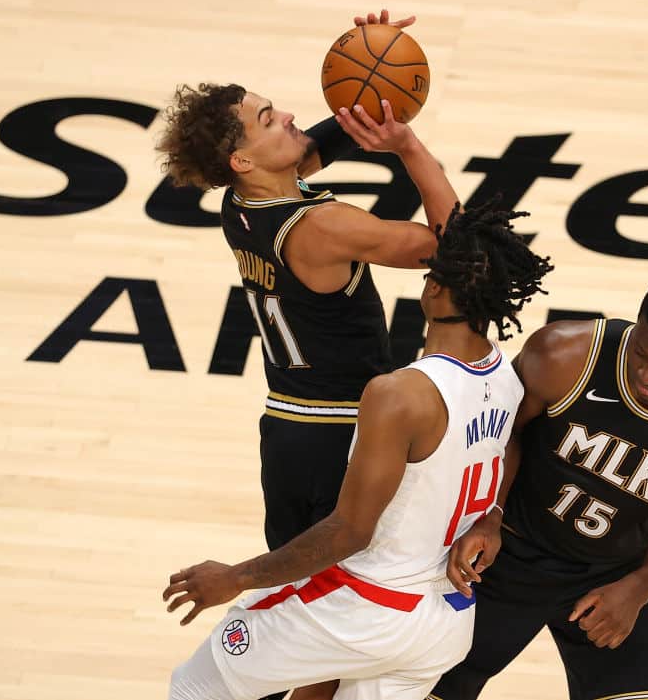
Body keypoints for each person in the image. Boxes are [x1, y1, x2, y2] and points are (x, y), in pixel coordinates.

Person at [162, 203, 554, 700]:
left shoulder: (399, 394)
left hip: (364, 607)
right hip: (442, 623)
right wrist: (491, 516)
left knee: (195, 688)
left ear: (433, 288)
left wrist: (236, 578)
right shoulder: (506, 377)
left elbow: (349, 531)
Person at [155, 11, 458, 556]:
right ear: (243, 158)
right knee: (345, 606)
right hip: (342, 436)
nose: (291, 116)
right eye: (270, 119)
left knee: (297, 601)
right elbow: (455, 247)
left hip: (288, 431)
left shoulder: (240, 201)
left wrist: (368, 65)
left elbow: (317, 145)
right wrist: (409, 148)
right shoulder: (323, 228)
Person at [431, 268, 648, 700]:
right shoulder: (565, 354)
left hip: (609, 574)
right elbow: (500, 434)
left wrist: (639, 588)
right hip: (506, 553)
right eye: (641, 354)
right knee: (418, 686)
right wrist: (488, 515)